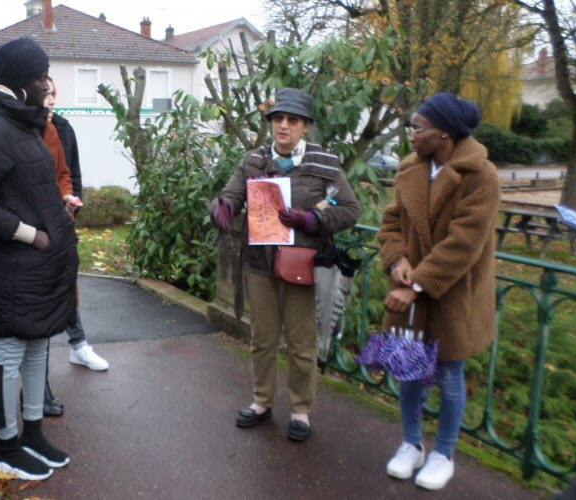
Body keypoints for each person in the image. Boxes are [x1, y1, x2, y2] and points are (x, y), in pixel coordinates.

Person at [209, 88, 360, 441]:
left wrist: (311, 220)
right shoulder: (254, 161)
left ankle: (301, 411)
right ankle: (262, 402)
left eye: (292, 120)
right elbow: (229, 194)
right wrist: (223, 207)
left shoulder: (324, 165)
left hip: (303, 266)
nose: (283, 125)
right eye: (278, 118)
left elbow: (351, 210)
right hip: (261, 264)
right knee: (261, 338)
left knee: (301, 343)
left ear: (305, 126)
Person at [0, 37, 77, 481]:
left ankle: (32, 434)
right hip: (15, 268)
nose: (47, 84)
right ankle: (7, 447)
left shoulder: (24, 124)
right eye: (42, 76)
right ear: (22, 81)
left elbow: (27, 190)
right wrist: (31, 235)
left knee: (37, 348)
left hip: (40, 270)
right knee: (9, 353)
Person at [377, 93, 499, 490]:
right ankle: (411, 444)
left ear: (443, 133)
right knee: (410, 370)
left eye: (417, 127)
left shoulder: (481, 177)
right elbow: (391, 223)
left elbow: (464, 244)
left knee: (448, 373)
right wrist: (397, 262)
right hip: (410, 287)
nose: (410, 134)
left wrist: (414, 284)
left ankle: (444, 453)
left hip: (453, 293)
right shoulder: (411, 168)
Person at [39, 76, 110, 417]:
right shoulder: (22, 129)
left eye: (53, 93)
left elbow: (72, 173)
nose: (50, 100)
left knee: (68, 284)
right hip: (34, 226)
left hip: (62, 218)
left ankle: (79, 345)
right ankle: (39, 381)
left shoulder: (63, 128)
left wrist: (72, 210)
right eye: (45, 93)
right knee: (40, 296)